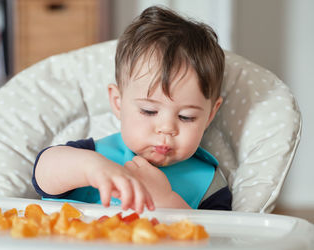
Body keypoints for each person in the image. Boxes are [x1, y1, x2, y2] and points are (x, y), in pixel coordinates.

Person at [32, 6, 232, 214]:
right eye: (148, 111)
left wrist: (164, 200)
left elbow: (219, 240)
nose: (166, 128)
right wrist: (92, 168)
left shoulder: (209, 183)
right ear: (118, 102)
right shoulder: (93, 154)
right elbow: (42, 174)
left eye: (186, 117)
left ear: (209, 115)